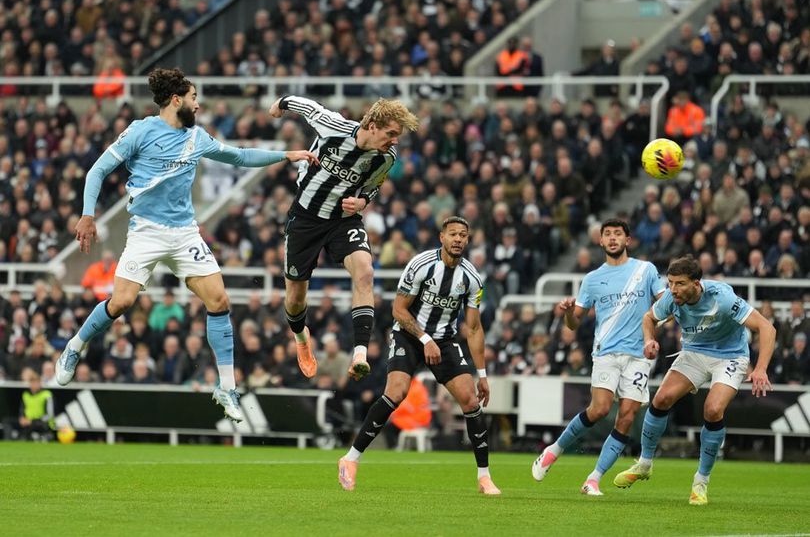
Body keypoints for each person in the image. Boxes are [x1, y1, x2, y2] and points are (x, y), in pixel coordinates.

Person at [55, 68, 318, 423]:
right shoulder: (140, 131)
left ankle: (227, 387)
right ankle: (75, 347)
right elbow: (96, 171)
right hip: (146, 232)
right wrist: (88, 215)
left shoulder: (198, 137)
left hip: (184, 234)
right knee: (122, 302)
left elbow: (239, 156)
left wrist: (286, 155)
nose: (199, 104)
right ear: (176, 100)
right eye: (194, 98)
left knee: (220, 300)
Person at [337, 217, 500, 495]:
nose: (458, 239)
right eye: (453, 234)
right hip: (409, 335)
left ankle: (484, 477)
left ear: (468, 241)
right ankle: (351, 459)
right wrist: (425, 339)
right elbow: (398, 309)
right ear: (442, 238)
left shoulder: (472, 278)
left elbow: (473, 328)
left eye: (463, 235)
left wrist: (482, 375)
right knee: (396, 393)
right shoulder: (421, 264)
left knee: (471, 401)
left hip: (445, 340)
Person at [267, 95, 419, 381]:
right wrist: (280, 104)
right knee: (295, 298)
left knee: (365, 271)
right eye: (391, 134)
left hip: (342, 221)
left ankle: (359, 353)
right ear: (372, 125)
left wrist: (362, 204)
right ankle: (301, 337)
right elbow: (305, 105)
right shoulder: (333, 126)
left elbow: (372, 188)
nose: (395, 141)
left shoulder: (386, 157)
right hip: (305, 219)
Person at [614, 255, 775, 505]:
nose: (673, 290)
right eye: (670, 283)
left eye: (679, 284)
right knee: (662, 398)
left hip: (730, 356)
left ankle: (701, 482)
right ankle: (644, 464)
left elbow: (767, 328)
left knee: (712, 409)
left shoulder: (722, 298)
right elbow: (649, 319)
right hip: (694, 352)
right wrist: (649, 340)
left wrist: (761, 368)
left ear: (696, 284)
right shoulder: (671, 299)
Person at [531, 219, 664, 496]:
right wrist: (568, 311)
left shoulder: (645, 270)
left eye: (618, 234)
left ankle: (594, 478)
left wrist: (653, 336)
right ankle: (553, 451)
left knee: (627, 416)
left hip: (638, 356)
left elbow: (664, 304)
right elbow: (573, 324)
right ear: (600, 241)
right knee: (601, 408)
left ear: (628, 240)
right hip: (606, 353)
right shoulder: (591, 279)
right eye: (607, 234)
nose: (613, 238)